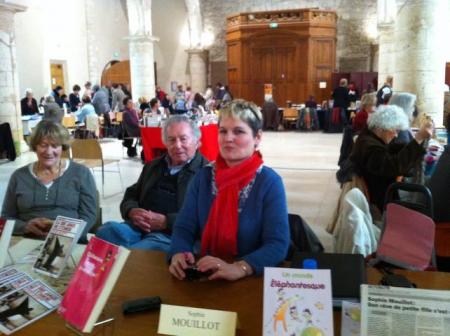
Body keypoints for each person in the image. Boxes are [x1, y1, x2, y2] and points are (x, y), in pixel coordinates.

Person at [169, 99, 290, 281]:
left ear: (257, 138)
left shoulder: (269, 182)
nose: (228, 138)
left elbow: (278, 244)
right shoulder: (203, 177)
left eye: (239, 131)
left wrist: (241, 267)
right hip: (206, 273)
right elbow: (184, 227)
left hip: (251, 279)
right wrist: (179, 251)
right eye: (223, 131)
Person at [96, 115, 208, 251]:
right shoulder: (154, 165)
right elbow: (132, 194)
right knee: (105, 232)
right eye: (171, 140)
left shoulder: (206, 173)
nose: (177, 145)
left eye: (183, 139)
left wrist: (167, 222)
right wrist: (131, 211)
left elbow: (206, 217)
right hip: (138, 228)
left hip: (172, 234)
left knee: (136, 252)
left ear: (197, 142)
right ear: (165, 143)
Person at [1, 120, 97, 242]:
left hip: (69, 241)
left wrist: (61, 228)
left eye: (55, 145)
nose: (48, 151)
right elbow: (6, 217)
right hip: (26, 240)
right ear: (35, 146)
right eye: (43, 145)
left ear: (63, 147)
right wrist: (24, 227)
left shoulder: (81, 173)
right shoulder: (19, 176)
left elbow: (89, 216)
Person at [337, 105, 432, 213]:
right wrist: (418, 138)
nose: (396, 135)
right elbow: (394, 166)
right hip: (380, 203)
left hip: (381, 193)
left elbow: (390, 151)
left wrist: (417, 142)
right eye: (395, 130)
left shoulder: (370, 137)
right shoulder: (370, 146)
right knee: (424, 196)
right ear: (382, 127)